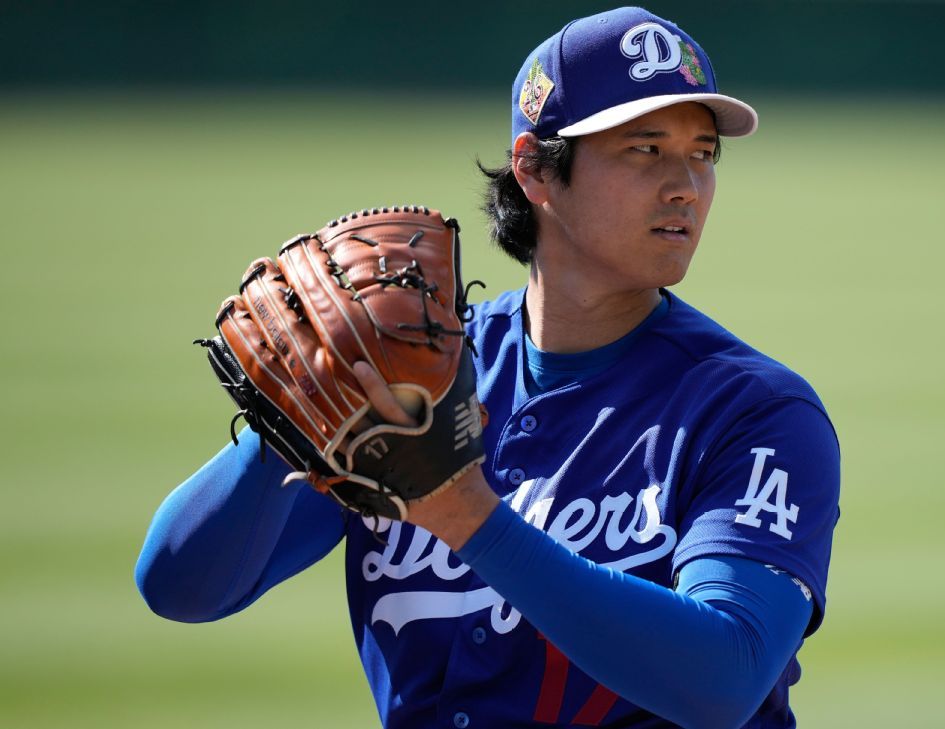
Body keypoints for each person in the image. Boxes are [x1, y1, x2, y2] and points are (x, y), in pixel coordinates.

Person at [136, 7, 840, 728]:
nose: (686, 184)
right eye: (645, 149)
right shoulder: (411, 375)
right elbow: (179, 588)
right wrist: (290, 419)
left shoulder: (755, 412)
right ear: (535, 168)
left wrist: (466, 517)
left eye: (703, 153)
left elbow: (725, 676)